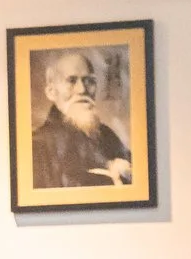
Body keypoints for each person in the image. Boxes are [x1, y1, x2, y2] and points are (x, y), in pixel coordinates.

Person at [30, 47, 133, 189]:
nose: (82, 89)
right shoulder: (38, 145)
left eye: (89, 81)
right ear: (51, 92)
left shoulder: (108, 136)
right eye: (71, 81)